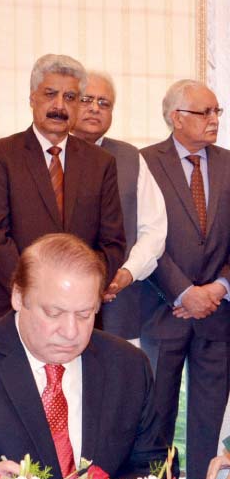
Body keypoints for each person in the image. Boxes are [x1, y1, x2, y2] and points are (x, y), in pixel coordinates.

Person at [0, 233, 172, 479]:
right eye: (53, 313)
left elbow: (156, 467)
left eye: (86, 314)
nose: (71, 331)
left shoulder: (128, 365)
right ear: (18, 297)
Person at [0, 54, 125, 325]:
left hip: (78, 315)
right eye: (50, 94)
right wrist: (37, 292)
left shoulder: (101, 163)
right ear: (32, 98)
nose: (59, 106)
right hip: (12, 307)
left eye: (70, 97)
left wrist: (79, 292)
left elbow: (111, 243)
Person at [140, 79, 230, 479]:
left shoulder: (229, 163)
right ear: (177, 118)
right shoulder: (143, 163)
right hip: (162, 310)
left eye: (217, 112)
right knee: (155, 415)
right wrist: (183, 292)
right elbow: (141, 236)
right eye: (205, 112)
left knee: (209, 416)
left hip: (218, 315)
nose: (214, 120)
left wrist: (217, 288)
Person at [71, 71, 167, 343]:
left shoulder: (129, 158)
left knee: (116, 377)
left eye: (104, 103)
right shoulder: (52, 156)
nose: (94, 108)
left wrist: (127, 273)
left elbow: (154, 228)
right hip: (58, 300)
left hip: (119, 300)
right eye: (86, 99)